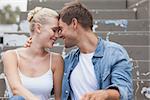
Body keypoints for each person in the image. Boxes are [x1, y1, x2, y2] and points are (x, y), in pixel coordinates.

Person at [58, 1, 133, 100]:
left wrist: (105, 94)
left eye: (61, 29)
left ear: (74, 23)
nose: (59, 35)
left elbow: (125, 90)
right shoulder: (68, 60)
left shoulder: (114, 53)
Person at [2, 7, 64, 100]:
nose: (57, 36)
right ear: (38, 28)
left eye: (58, 31)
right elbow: (16, 89)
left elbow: (58, 98)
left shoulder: (57, 60)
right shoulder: (11, 56)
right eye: (54, 30)